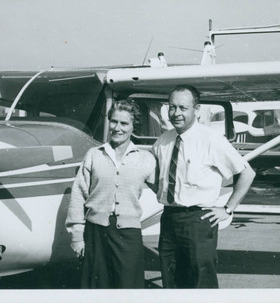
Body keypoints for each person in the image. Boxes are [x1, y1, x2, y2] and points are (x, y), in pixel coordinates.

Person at [151, 85, 255, 288]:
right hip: (169, 218)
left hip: (198, 220)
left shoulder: (211, 139)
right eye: (172, 107)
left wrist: (227, 209)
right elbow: (155, 175)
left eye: (183, 107)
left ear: (196, 110)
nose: (176, 113)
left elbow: (246, 173)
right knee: (170, 278)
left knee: (201, 281)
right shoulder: (163, 141)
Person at [65, 99, 157, 289]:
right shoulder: (94, 154)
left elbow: (165, 191)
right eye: (114, 121)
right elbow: (78, 195)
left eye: (124, 123)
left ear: (133, 126)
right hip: (95, 233)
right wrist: (77, 236)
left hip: (128, 235)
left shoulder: (145, 159)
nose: (117, 128)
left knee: (128, 287)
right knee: (96, 288)